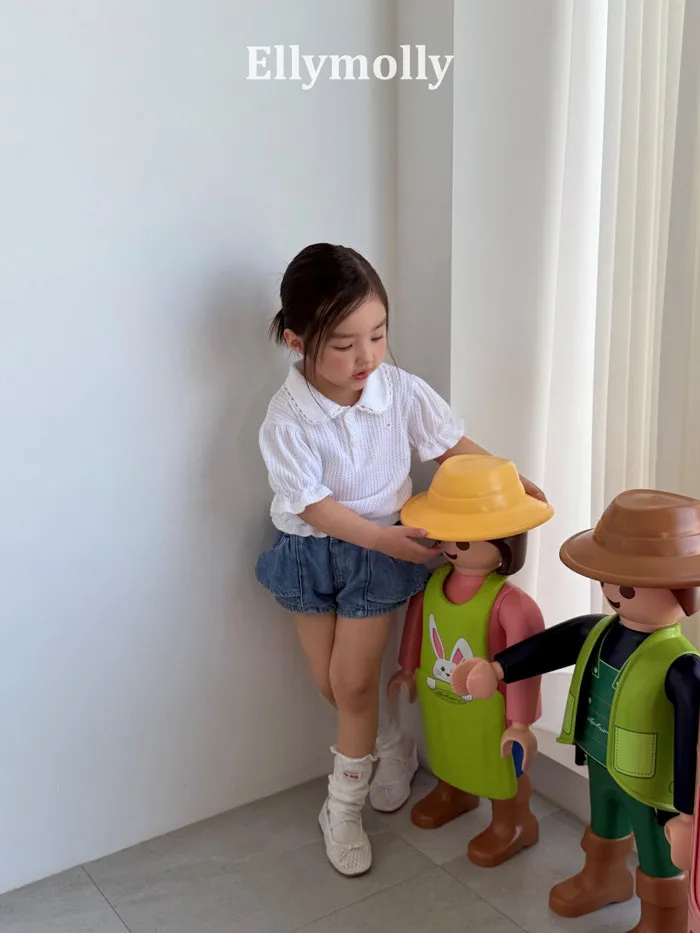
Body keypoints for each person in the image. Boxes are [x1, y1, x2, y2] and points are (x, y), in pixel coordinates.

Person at [255, 242, 546, 877]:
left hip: (378, 555)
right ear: (297, 341)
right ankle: (391, 743)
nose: (366, 357)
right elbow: (314, 507)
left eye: (378, 335)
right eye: (344, 344)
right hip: (311, 552)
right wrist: (382, 539)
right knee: (331, 684)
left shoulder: (399, 391)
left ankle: (341, 807)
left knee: (356, 684)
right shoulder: (287, 418)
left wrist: (510, 482)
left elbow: (451, 445)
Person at [451, 489, 700, 933]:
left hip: (650, 784)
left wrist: (687, 813)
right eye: (609, 581)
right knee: (604, 822)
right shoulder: (599, 632)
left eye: (627, 587)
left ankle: (664, 921)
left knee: (658, 852)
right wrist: (497, 668)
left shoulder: (682, 667)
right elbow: (552, 646)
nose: (614, 595)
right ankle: (603, 878)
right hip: (601, 758)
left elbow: (691, 741)